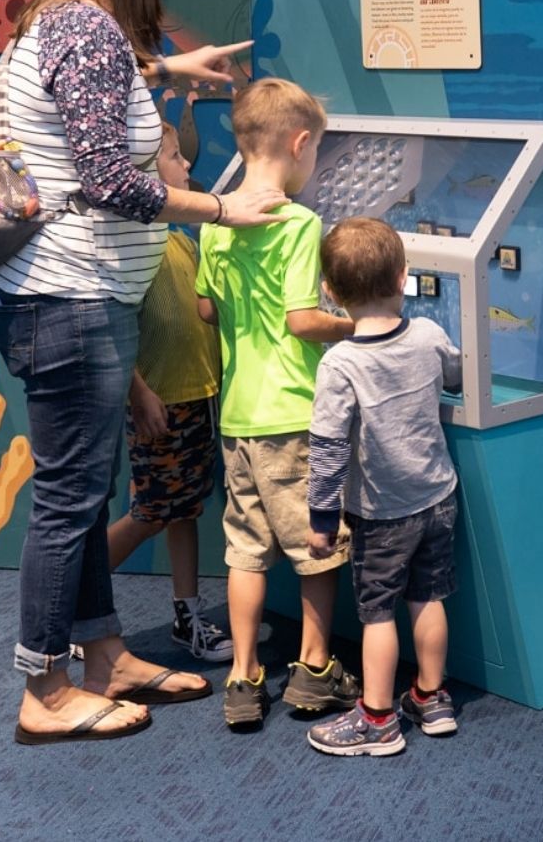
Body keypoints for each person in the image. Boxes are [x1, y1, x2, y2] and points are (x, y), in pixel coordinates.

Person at [0, 0, 288, 746]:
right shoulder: (86, 28)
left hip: (69, 296)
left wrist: (168, 70)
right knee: (67, 499)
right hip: (67, 296)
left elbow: (89, 92)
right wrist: (223, 208)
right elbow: (111, 180)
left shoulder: (68, 23)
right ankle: (45, 689)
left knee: (85, 493)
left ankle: (105, 655)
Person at [194, 77, 359, 729]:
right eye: (316, 150)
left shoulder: (214, 219)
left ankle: (244, 676)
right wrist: (356, 324)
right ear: (299, 143)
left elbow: (206, 309)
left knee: (244, 549)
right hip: (293, 413)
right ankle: (314, 668)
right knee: (318, 543)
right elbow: (301, 320)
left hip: (237, 415)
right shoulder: (299, 223)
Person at [301, 218, 463, 756]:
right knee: (428, 597)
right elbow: (457, 374)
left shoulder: (340, 363)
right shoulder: (429, 335)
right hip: (438, 497)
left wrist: (322, 521)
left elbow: (328, 450)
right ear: (402, 277)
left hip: (381, 514)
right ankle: (431, 698)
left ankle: (377, 719)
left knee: (377, 613)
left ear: (329, 291)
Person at [105, 122, 238, 660]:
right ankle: (72, 603)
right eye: (175, 157)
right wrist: (139, 394)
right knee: (153, 512)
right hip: (161, 402)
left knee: (183, 510)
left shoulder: (178, 239)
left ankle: (188, 616)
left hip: (196, 396)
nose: (186, 166)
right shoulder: (126, 247)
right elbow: (111, 331)